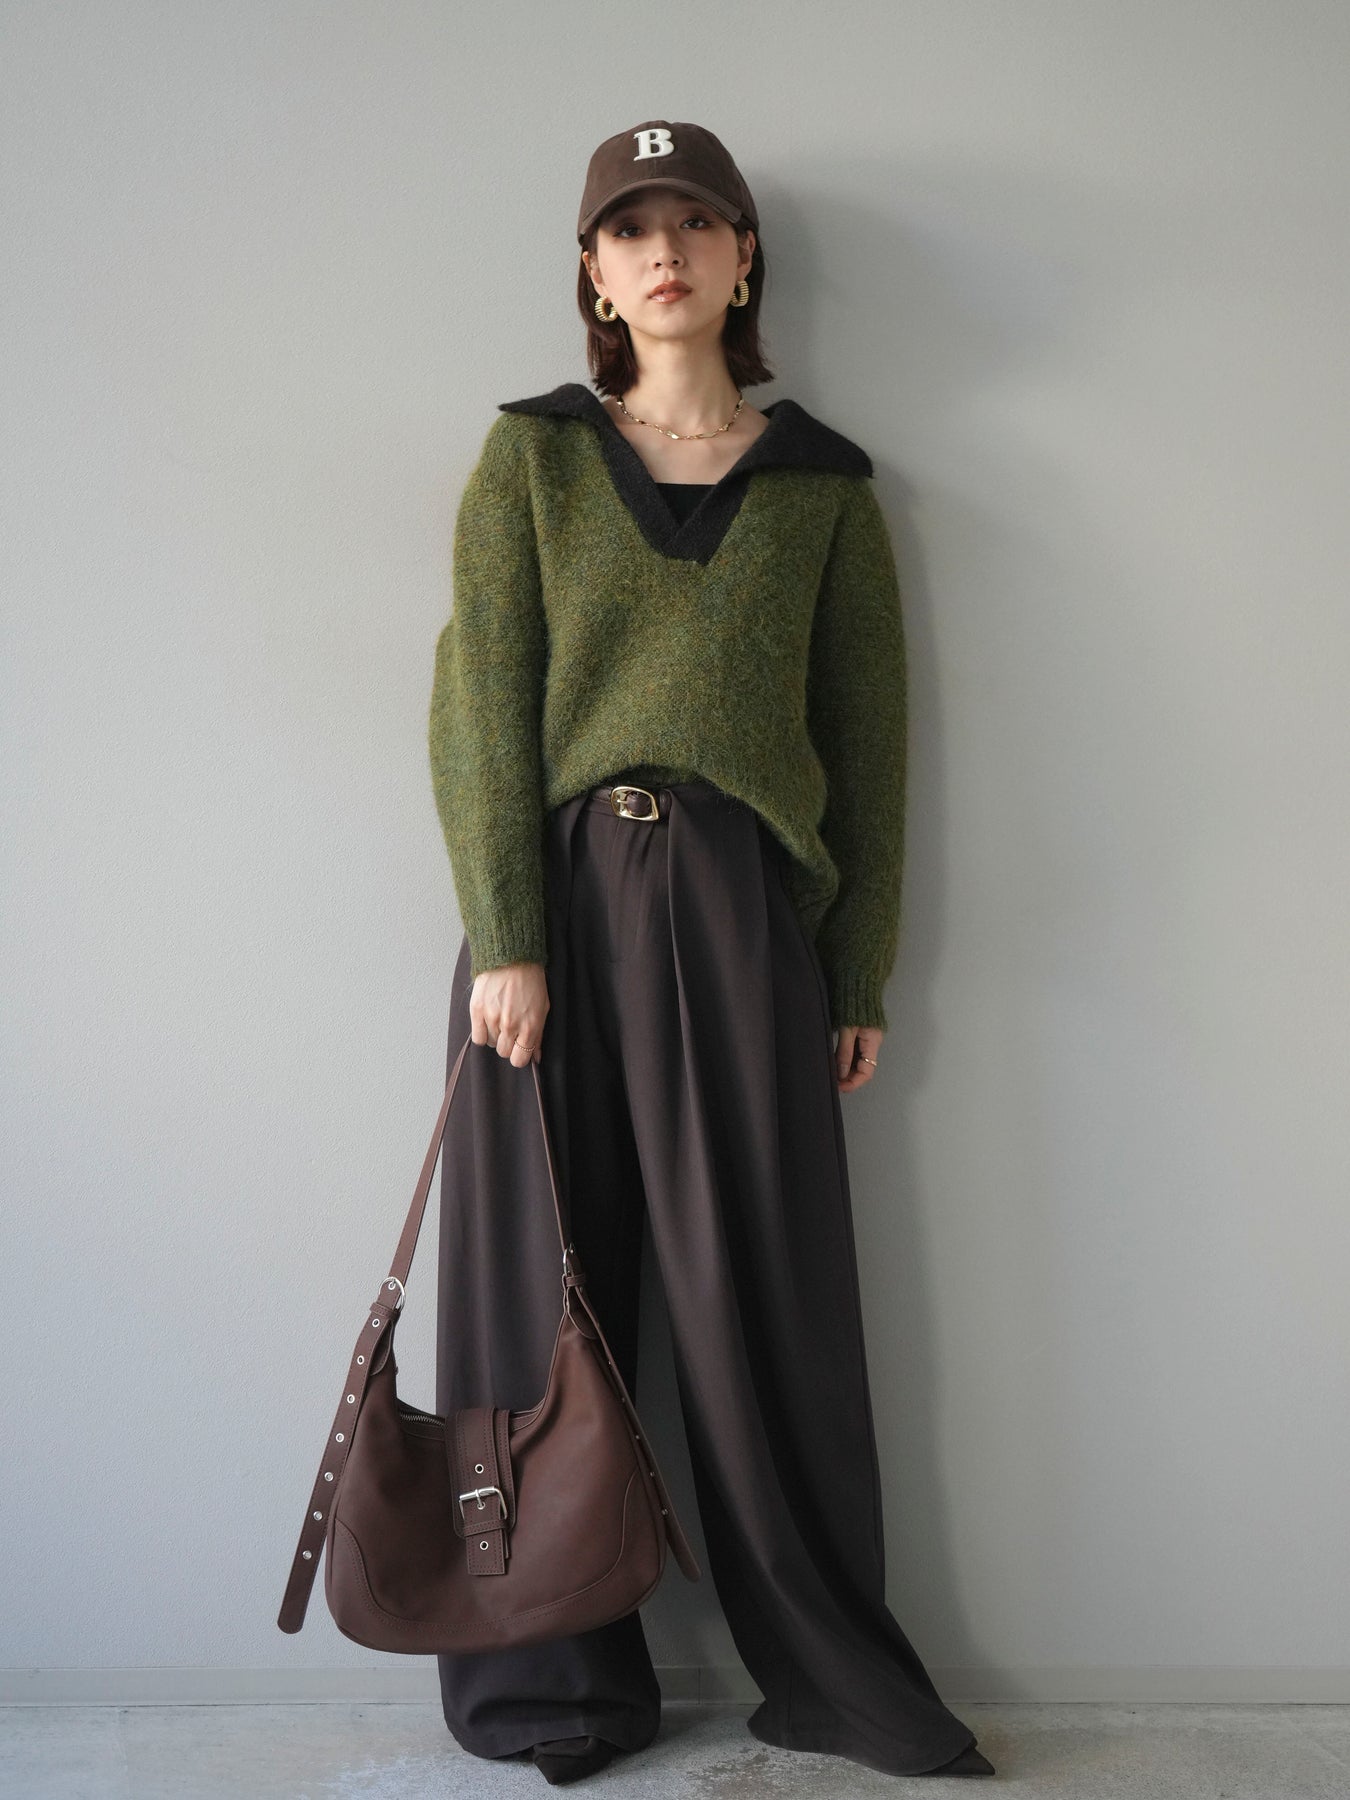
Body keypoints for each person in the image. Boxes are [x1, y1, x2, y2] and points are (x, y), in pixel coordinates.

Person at [426, 119, 995, 1785]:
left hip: (744, 915)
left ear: (744, 260)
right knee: (541, 1297)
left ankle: (826, 1673)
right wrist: (507, 936)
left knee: (764, 1303)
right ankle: (550, 1683)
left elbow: (869, 751)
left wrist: (855, 969)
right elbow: (478, 712)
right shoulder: (531, 460)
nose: (662, 251)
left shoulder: (822, 489)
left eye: (694, 222)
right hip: (553, 914)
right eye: (629, 230)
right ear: (593, 277)